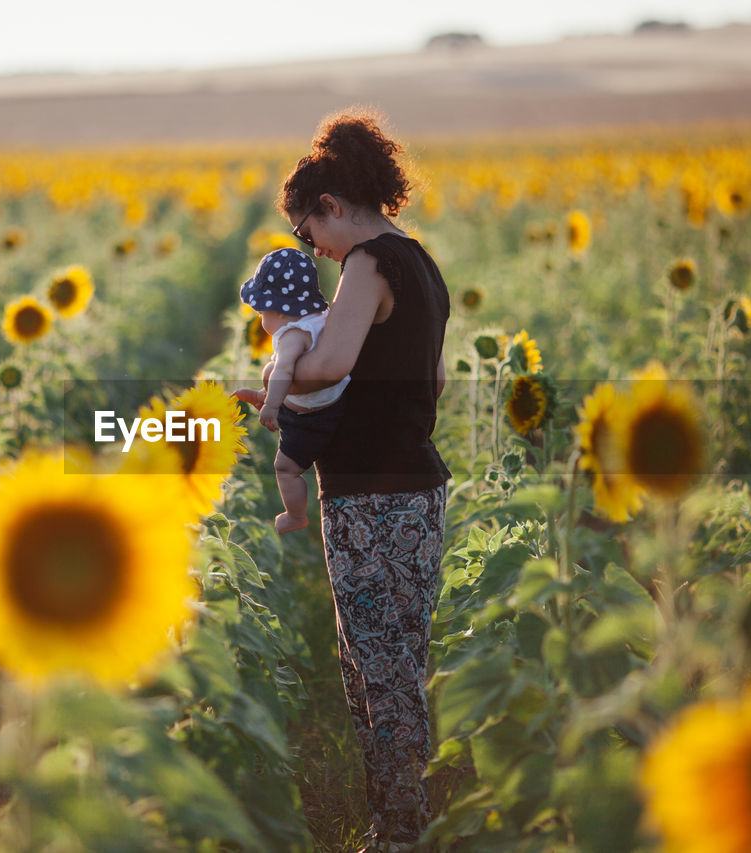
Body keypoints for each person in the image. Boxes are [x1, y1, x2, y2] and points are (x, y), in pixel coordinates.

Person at [264, 109, 452, 852]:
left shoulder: (367, 264)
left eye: (310, 235)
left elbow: (334, 362)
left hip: (371, 495)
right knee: (400, 656)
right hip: (416, 488)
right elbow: (429, 374)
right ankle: (412, 815)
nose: (314, 251)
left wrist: (279, 370)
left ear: (332, 207)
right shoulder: (420, 263)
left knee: (375, 664)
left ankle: (398, 830)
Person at [235, 248, 350, 535]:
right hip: (336, 401)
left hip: (308, 417)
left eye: (262, 313)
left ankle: (295, 514)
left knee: (285, 468)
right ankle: (265, 396)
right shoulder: (321, 318)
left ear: (278, 310)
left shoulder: (291, 335)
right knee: (271, 374)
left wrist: (273, 407)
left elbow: (286, 370)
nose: (261, 321)